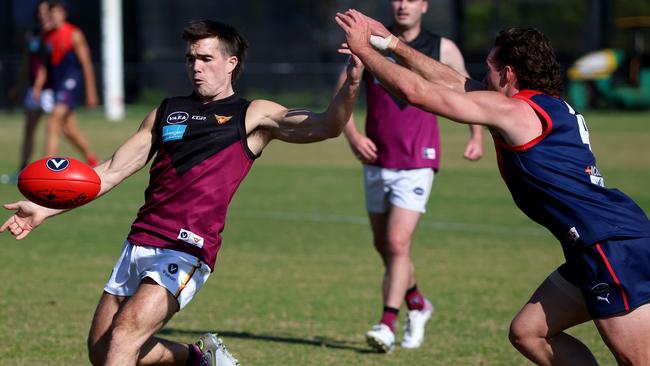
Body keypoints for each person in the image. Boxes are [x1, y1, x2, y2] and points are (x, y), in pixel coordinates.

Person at [1, 19, 362, 366]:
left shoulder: (253, 115)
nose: (196, 67)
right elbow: (109, 172)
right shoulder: (167, 111)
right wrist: (44, 208)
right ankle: (199, 359)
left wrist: (351, 82)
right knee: (101, 350)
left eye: (206, 58)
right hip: (140, 241)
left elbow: (326, 125)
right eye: (191, 58)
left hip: (188, 248)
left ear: (230, 63)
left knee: (125, 335)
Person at [336, 9, 650, 365]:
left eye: (489, 67)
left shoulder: (514, 113)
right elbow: (455, 83)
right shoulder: (548, 107)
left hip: (609, 248)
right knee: (528, 332)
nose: (483, 76)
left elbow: (418, 92)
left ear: (509, 74)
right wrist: (392, 43)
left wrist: (366, 52)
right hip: (604, 241)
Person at [333, 0, 483, 352]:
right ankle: (418, 303)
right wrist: (354, 137)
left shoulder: (443, 48)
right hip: (377, 160)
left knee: (398, 244)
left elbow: (469, 91)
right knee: (383, 245)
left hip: (418, 159)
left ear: (424, 5)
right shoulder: (368, 40)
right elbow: (342, 95)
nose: (402, 5)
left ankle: (386, 323)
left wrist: (476, 135)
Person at [33, 0, 99, 167]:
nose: (52, 16)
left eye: (55, 12)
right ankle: (92, 158)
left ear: (63, 13)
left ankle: (45, 167)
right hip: (57, 84)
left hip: (70, 83)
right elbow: (44, 65)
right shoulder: (46, 35)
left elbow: (86, 64)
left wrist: (91, 91)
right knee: (67, 128)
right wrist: (38, 86)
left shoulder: (73, 34)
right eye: (50, 12)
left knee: (52, 122)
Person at [2, 0, 55, 184]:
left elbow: (46, 66)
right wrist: (18, 86)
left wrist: (39, 86)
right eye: (40, 10)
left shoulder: (55, 34)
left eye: (46, 11)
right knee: (29, 129)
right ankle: (23, 169)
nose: (43, 14)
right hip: (35, 89)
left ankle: (51, 171)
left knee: (58, 129)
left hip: (51, 90)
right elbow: (28, 63)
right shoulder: (33, 34)